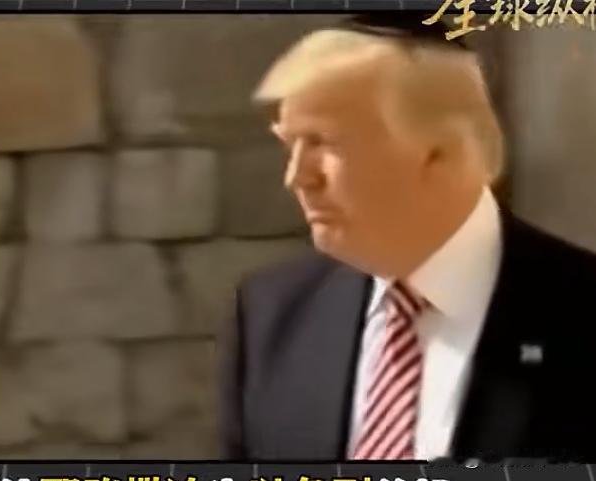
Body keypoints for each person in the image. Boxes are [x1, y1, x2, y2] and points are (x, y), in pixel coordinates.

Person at [218, 12, 596, 463]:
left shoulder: (580, 311)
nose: (298, 177)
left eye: (326, 142)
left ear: (440, 153)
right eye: (290, 144)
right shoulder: (270, 315)